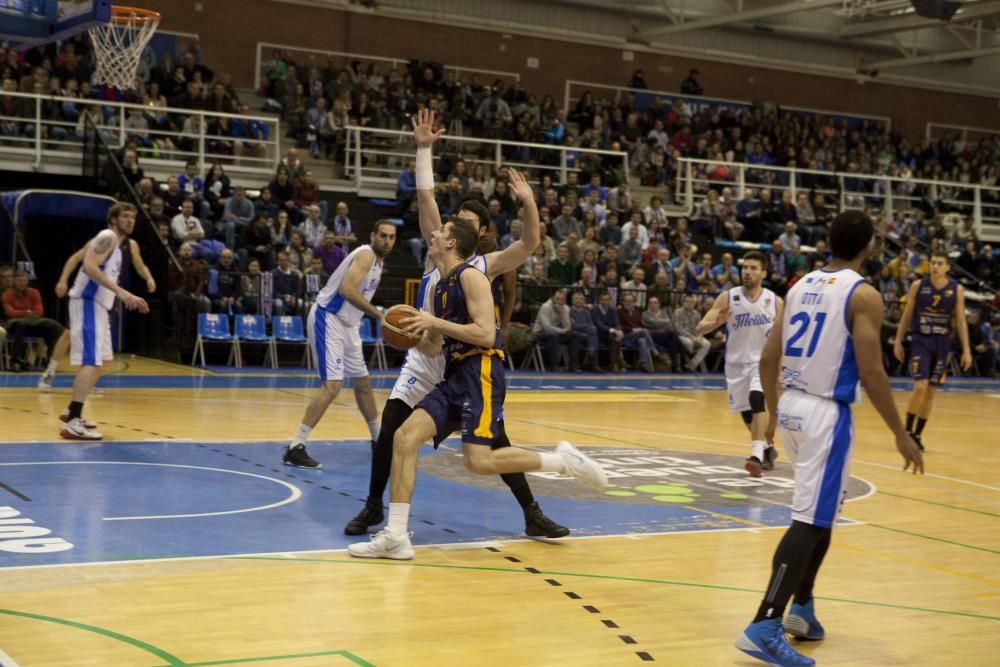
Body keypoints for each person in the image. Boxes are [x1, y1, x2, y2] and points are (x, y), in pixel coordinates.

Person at [343, 110, 568, 540]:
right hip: (426, 357)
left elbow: (530, 243)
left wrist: (529, 202)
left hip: (461, 362)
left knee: (493, 443)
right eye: (455, 217)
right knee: (392, 431)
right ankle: (376, 508)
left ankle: (532, 511)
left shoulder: (483, 265)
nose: (456, 221)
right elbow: (427, 199)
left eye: (466, 220)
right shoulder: (437, 251)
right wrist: (423, 150)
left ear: (480, 231)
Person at [347, 216, 606, 560]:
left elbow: (486, 334)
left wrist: (433, 322)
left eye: (441, 232)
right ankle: (395, 536)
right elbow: (435, 346)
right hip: (454, 375)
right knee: (404, 437)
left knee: (479, 461)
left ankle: (562, 461)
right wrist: (412, 337)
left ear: (452, 243)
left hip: (481, 371)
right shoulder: (439, 288)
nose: (435, 234)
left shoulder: (472, 277)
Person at [736, 211, 923, 666]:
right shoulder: (864, 295)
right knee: (808, 520)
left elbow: (768, 356)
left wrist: (776, 411)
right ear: (868, 248)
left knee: (820, 518)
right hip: (826, 414)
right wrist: (901, 433)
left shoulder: (798, 286)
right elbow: (872, 370)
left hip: (795, 404)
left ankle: (802, 608)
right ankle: (765, 622)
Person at [281, 220, 397, 468]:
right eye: (383, 236)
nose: (387, 241)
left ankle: (379, 440)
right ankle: (296, 446)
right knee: (333, 386)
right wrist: (379, 315)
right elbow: (346, 290)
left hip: (348, 324)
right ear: (373, 236)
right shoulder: (366, 255)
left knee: (363, 383)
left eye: (392, 237)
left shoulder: (379, 262)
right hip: (329, 317)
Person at [60, 203, 150, 439]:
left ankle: (72, 409)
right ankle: (73, 421)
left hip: (99, 307)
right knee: (91, 361)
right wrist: (123, 293)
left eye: (133, 217)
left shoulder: (120, 248)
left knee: (105, 362)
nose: (130, 221)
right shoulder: (108, 236)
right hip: (87, 302)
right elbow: (88, 267)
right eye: (125, 217)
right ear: (113, 220)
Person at [697, 251, 782, 476]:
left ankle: (755, 456)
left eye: (753, 268)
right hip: (735, 364)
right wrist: (716, 321)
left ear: (763, 273)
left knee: (757, 399)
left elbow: (785, 337)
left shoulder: (775, 301)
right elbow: (700, 327)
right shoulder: (728, 297)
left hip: (761, 363)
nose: (747, 272)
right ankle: (767, 448)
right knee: (746, 412)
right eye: (745, 267)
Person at [892, 251, 972, 451]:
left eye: (939, 263)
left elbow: (961, 321)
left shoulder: (956, 289)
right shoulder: (918, 286)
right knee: (920, 386)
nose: (935, 266)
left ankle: (918, 435)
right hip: (921, 340)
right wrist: (898, 341)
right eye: (933, 263)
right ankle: (907, 432)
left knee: (931, 391)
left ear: (947, 267)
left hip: (943, 343)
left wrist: (966, 350)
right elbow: (907, 315)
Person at [1, 269, 70, 387]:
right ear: (14, 282)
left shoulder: (34, 292)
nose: (22, 283)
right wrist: (28, 312)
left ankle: (47, 359)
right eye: (19, 280)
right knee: (20, 325)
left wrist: (25, 313)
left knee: (52, 326)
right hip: (13, 325)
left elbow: (39, 311)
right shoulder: (7, 294)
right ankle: (16, 361)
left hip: (33, 322)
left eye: (24, 280)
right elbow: (10, 313)